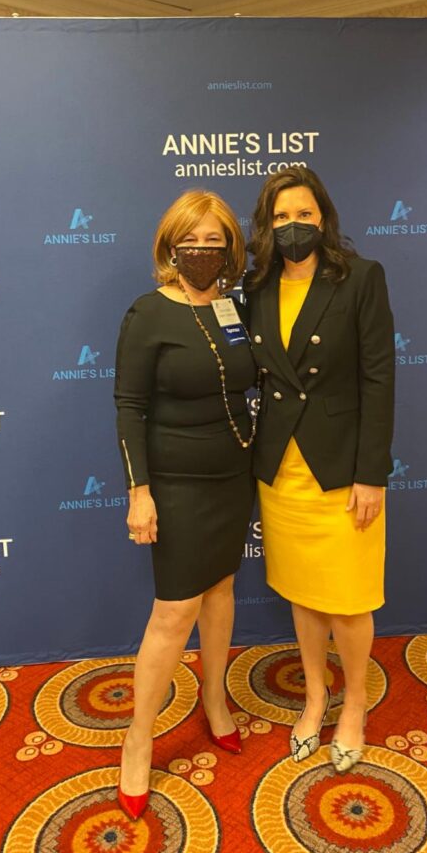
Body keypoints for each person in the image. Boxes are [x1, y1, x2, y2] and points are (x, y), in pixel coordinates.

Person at [245, 166, 394, 774]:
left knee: (350, 599)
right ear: (267, 226)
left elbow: (379, 378)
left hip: (341, 467)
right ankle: (316, 695)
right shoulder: (255, 289)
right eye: (281, 218)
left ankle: (354, 703)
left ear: (324, 219)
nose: (293, 227)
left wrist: (372, 473)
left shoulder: (360, 278)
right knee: (305, 596)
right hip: (281, 469)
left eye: (303, 215)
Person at [114, 190, 257, 820]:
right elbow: (129, 407)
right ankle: (137, 741)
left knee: (221, 590)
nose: (203, 249)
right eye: (191, 238)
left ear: (230, 247)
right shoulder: (147, 314)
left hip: (234, 475)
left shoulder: (233, 306)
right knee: (174, 612)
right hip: (173, 481)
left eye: (215, 239)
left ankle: (215, 700)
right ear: (171, 244)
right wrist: (139, 490)